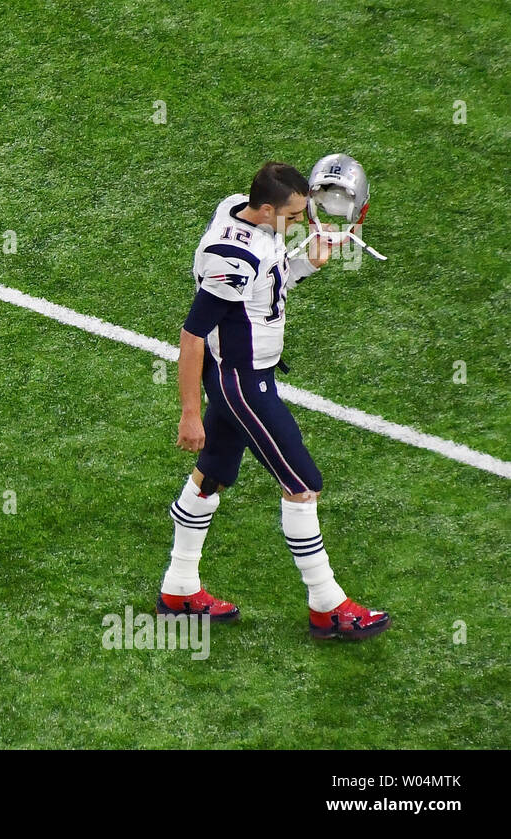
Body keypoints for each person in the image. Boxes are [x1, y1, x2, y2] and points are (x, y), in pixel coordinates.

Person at [158, 161, 390, 640]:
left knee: (212, 475)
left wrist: (307, 263)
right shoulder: (232, 260)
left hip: (240, 374)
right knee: (304, 485)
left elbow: (265, 289)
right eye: (296, 214)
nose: (305, 221)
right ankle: (327, 606)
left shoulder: (236, 211)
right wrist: (189, 413)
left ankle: (179, 588)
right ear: (266, 210)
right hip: (242, 381)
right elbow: (191, 336)